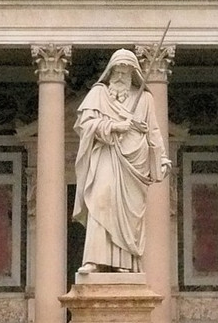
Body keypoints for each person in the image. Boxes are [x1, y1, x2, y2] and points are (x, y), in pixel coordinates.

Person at [73, 49, 171, 272]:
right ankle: (93, 260)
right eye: (117, 72)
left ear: (133, 74)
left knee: (127, 214)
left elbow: (153, 131)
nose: (120, 77)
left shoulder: (144, 98)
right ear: (110, 71)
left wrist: (162, 158)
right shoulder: (99, 94)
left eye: (125, 73)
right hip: (107, 155)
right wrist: (115, 126)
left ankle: (124, 263)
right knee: (100, 199)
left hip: (135, 160)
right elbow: (85, 125)